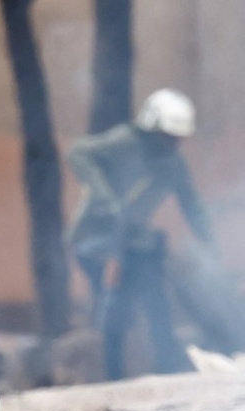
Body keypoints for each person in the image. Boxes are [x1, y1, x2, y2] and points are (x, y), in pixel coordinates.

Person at [66, 88, 217, 380]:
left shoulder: (173, 164)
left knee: (155, 298)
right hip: (96, 238)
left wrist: (209, 240)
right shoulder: (124, 142)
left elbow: (192, 204)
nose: (172, 144)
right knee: (117, 302)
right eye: (167, 137)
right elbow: (78, 152)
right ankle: (113, 376)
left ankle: (167, 369)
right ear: (151, 129)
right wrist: (104, 197)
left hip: (132, 240)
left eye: (177, 138)